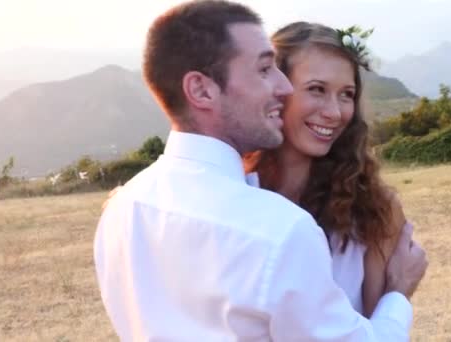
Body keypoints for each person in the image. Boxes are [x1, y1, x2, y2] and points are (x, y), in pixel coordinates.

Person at [94, 1, 427, 341]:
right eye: (266, 71)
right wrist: (399, 294)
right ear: (200, 89)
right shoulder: (279, 230)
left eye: (347, 95)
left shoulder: (123, 210)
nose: (280, 87)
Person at [244, 21, 411, 318]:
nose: (335, 112)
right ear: (276, 90)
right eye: (317, 89)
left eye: (346, 94)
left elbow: (380, 331)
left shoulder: (374, 210)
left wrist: (397, 292)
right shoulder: (236, 194)